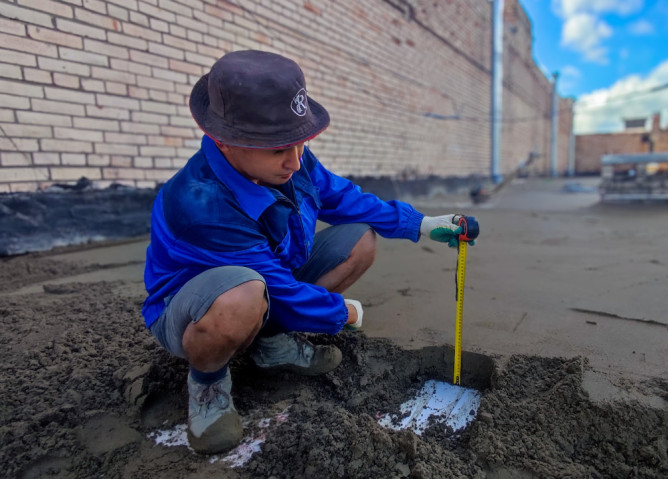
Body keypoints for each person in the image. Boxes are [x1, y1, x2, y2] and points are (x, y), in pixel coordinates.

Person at [141, 50, 474, 454]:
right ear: (226, 142)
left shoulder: (289, 158)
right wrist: (343, 313)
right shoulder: (199, 203)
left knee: (359, 238)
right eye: (279, 149)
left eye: (301, 144)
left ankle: (271, 343)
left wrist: (419, 224)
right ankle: (208, 385)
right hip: (194, 309)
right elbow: (276, 288)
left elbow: (340, 196)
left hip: (266, 279)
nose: (295, 162)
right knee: (241, 296)